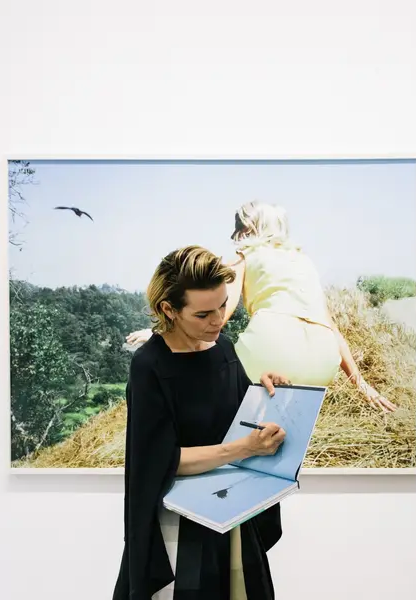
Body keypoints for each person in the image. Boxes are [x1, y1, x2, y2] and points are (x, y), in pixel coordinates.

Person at [112, 245, 292, 600]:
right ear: (169, 309)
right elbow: (162, 460)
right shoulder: (151, 366)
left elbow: (237, 417)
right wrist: (243, 448)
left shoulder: (222, 348)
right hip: (178, 523)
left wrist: (262, 388)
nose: (218, 320)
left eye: (223, 306)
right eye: (204, 314)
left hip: (232, 512)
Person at [127, 200, 396, 412]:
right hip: (323, 365)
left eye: (239, 226)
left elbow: (219, 315)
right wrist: (362, 385)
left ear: (248, 229)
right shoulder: (304, 261)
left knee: (214, 352)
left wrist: (161, 332)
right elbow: (332, 328)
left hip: (271, 352)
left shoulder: (245, 256)